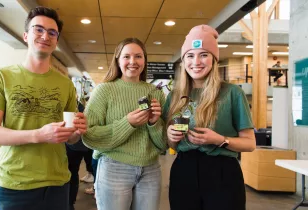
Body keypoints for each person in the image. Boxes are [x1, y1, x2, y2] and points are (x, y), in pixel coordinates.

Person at [0, 6, 87, 210]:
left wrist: (77, 131)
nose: (45, 36)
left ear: (56, 41)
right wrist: (39, 135)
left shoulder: (65, 84)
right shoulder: (2, 77)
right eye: (38, 30)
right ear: (25, 35)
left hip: (56, 183)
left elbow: (71, 138)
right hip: (13, 184)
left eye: (52, 32)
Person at [164, 25, 256, 210]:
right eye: (190, 55)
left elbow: (250, 143)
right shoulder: (174, 96)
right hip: (184, 170)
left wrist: (220, 140)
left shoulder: (232, 93)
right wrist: (169, 136)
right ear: (183, 61)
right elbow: (165, 142)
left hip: (222, 172)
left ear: (214, 59)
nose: (196, 61)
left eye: (203, 54)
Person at [83, 37, 166, 210]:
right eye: (126, 56)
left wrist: (154, 123)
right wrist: (128, 123)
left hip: (151, 168)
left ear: (144, 60)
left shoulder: (155, 93)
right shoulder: (104, 90)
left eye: (138, 56)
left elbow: (163, 143)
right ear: (118, 60)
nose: (132, 62)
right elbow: (89, 135)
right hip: (114, 166)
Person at [65, 101, 93, 210]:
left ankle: (70, 201)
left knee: (72, 172)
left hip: (77, 145)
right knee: (73, 172)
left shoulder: (74, 105)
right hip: (80, 145)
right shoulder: (78, 105)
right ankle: (70, 201)